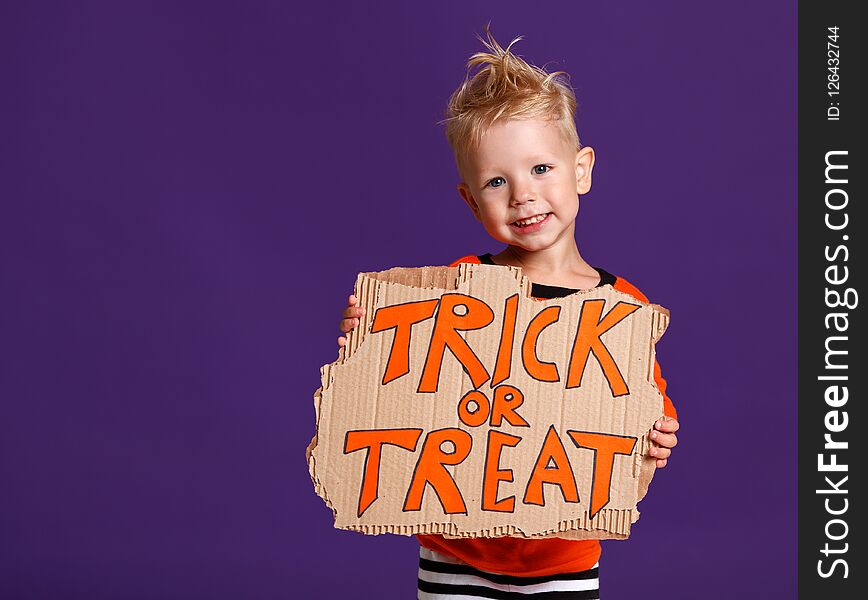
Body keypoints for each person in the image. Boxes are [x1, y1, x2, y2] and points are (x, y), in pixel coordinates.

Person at [335, 27, 679, 599]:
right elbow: (406, 385)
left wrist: (654, 434)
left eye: (541, 169)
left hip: (564, 551)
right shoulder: (458, 288)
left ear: (582, 170)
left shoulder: (623, 309)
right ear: (472, 201)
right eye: (497, 181)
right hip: (456, 549)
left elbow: (638, 410)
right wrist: (366, 340)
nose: (522, 193)